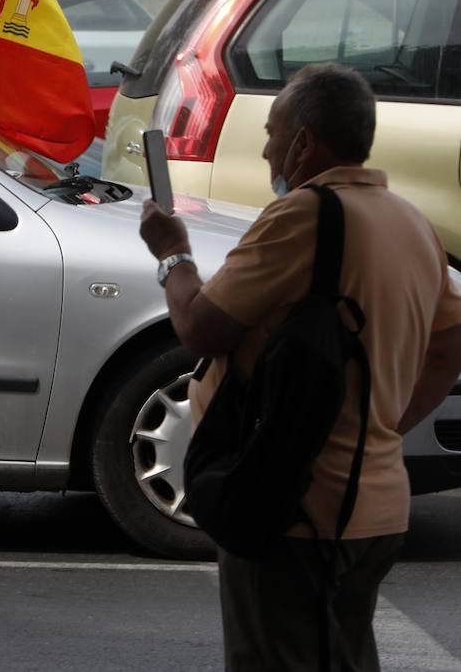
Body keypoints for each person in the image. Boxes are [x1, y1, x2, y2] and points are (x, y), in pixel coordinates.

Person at [138, 62, 461, 671]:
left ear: (303, 142)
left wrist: (172, 254)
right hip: (377, 507)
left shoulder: (304, 217)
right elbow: (449, 345)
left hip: (301, 514)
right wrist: (383, 427)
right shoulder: (411, 222)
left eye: (271, 132)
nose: (266, 150)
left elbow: (201, 326)